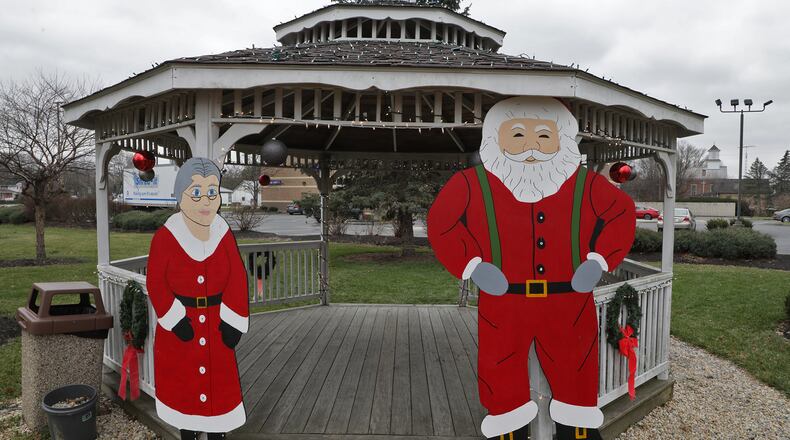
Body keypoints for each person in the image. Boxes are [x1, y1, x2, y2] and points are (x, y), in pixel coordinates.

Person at [427, 97, 635, 440]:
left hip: (568, 300)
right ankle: (508, 432)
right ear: (496, 139)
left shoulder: (584, 184)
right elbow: (441, 222)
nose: (531, 147)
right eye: (517, 135)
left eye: (543, 136)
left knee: (575, 365)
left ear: (561, 139)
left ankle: (576, 431)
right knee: (500, 367)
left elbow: (621, 213)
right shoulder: (471, 184)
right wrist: (473, 264)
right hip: (504, 301)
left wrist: (599, 259)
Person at [146, 157, 249, 440]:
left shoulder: (223, 234)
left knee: (219, 390)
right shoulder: (166, 237)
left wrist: (233, 320)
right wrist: (174, 318)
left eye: (212, 192)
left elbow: (237, 277)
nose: (206, 201)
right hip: (181, 330)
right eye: (196, 192)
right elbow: (156, 282)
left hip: (217, 327)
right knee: (185, 389)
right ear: (180, 196)